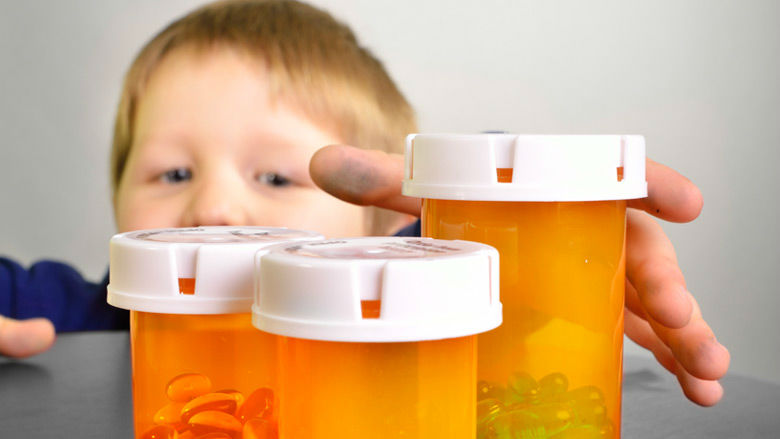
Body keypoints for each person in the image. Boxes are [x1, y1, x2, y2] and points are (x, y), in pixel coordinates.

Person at [0, 0, 728, 406]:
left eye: (276, 178)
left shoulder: (411, 311)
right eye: (172, 172)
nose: (214, 209)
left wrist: (554, 214)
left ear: (385, 228)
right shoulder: (77, 311)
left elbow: (463, 223)